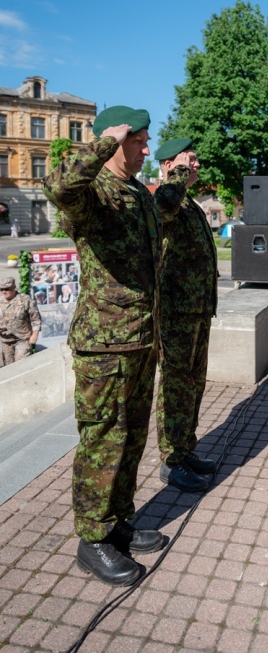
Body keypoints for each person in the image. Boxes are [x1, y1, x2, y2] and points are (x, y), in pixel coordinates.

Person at [42, 104, 164, 587]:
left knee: (132, 436)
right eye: (138, 140)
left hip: (140, 337)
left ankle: (117, 523)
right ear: (116, 141)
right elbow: (57, 185)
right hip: (104, 344)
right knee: (103, 439)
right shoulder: (91, 193)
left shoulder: (138, 192)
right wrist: (102, 142)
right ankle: (92, 539)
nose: (146, 148)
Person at [153, 138, 218, 492]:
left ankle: (185, 449)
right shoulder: (167, 197)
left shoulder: (189, 203)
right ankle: (171, 461)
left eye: (194, 160)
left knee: (193, 384)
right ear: (169, 166)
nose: (195, 166)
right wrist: (176, 172)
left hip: (196, 309)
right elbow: (164, 204)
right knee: (176, 387)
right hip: (176, 313)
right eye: (188, 161)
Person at [0, 277, 41, 365]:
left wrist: (35, 334)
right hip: (5, 341)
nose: (4, 292)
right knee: (9, 367)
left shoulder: (25, 300)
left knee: (21, 364)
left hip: (23, 339)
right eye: (1, 289)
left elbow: (35, 318)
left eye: (7, 289)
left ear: (14, 287)